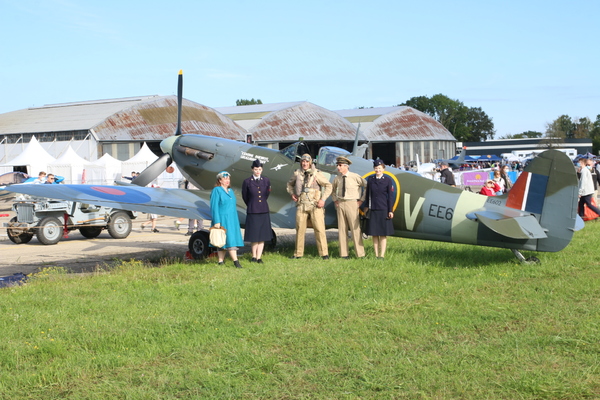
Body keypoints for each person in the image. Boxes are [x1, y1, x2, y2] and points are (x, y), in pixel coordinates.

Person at [286, 153, 332, 259]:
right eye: (303, 161)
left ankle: (324, 254)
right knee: (300, 230)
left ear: (310, 162)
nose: (304, 163)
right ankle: (298, 253)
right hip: (302, 205)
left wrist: (323, 199)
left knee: (319, 229)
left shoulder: (317, 173)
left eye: (307, 162)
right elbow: (289, 184)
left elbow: (328, 186)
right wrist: (292, 193)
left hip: (315, 205)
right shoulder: (297, 173)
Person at [331, 156, 367, 259]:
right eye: (337, 165)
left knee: (355, 229)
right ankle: (344, 254)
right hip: (341, 204)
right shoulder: (337, 179)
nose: (338, 167)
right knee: (342, 229)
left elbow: (367, 186)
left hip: (352, 204)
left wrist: (361, 200)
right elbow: (332, 191)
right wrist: (335, 200)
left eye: (340, 165)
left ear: (346, 166)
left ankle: (360, 254)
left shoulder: (355, 177)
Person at [362, 159, 395, 259]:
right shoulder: (371, 180)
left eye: (379, 168)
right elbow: (368, 195)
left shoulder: (387, 180)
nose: (378, 170)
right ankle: (376, 254)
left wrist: (390, 210)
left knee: (383, 234)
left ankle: (382, 255)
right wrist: (366, 207)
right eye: (376, 168)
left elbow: (390, 197)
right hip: (373, 209)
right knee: (374, 233)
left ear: (383, 169)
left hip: (383, 209)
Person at [242, 159, 273, 263]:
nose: (257, 171)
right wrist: (252, 204)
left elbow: (266, 194)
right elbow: (245, 196)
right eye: (256, 169)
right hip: (253, 210)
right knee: (254, 235)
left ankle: (259, 257)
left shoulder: (266, 180)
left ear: (262, 169)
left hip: (263, 209)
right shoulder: (247, 181)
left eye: (259, 169)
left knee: (262, 235)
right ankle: (254, 256)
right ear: (252, 169)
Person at [210, 171, 244, 268]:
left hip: (232, 219)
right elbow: (214, 206)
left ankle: (220, 261)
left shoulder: (230, 191)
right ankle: (236, 261)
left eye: (228, 179)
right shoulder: (216, 190)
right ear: (220, 180)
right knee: (228, 240)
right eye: (225, 179)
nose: (227, 181)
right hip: (222, 219)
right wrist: (216, 221)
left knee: (225, 241)